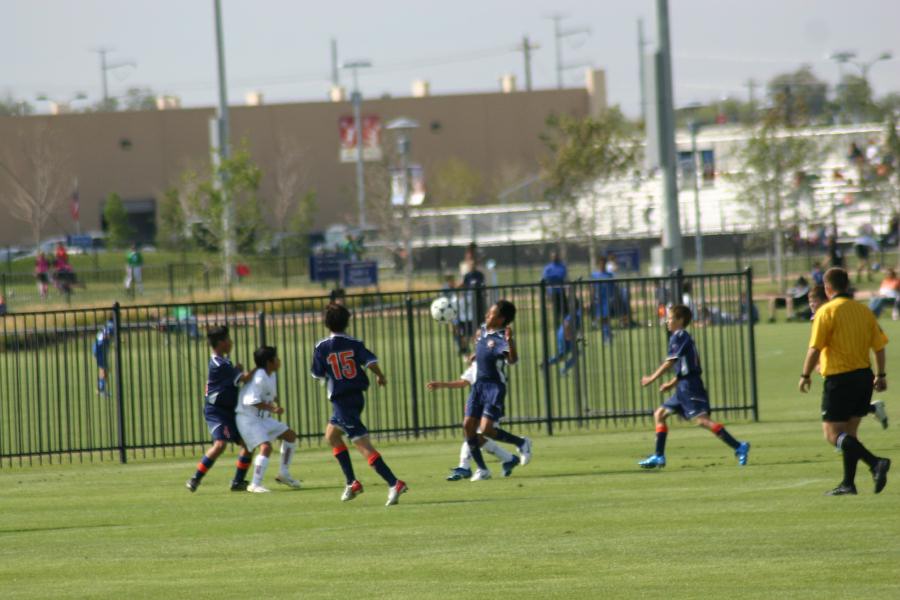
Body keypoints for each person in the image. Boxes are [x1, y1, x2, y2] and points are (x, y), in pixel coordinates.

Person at [799, 268, 891, 496]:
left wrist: (805, 375)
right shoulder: (864, 311)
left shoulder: (827, 311)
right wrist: (880, 375)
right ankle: (848, 484)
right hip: (864, 378)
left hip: (839, 379)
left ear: (828, 288)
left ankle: (875, 462)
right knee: (850, 433)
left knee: (832, 434)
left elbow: (815, 348)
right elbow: (879, 346)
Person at [311, 303, 408, 506]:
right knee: (332, 435)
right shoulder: (355, 343)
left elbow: (317, 374)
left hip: (342, 400)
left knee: (363, 445)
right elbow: (370, 362)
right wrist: (380, 376)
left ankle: (394, 482)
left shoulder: (321, 347)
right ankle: (352, 482)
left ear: (326, 323)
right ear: (347, 322)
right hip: (355, 397)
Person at [638, 304, 750, 469]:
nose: (667, 322)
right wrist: (671, 383)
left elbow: (671, 362)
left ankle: (739, 446)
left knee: (703, 421)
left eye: (670, 318)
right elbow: (686, 367)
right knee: (660, 413)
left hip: (690, 387)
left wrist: (651, 378)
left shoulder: (679, 336)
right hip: (683, 385)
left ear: (680, 320)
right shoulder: (680, 337)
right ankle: (659, 456)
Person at [463, 300, 532, 481]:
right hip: (478, 386)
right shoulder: (482, 331)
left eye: (491, 314)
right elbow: (483, 348)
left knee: (486, 429)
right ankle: (482, 469)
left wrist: (511, 342)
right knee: (468, 426)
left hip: (494, 387)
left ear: (501, 319)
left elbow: (512, 360)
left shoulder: (503, 337)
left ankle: (521, 443)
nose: (487, 315)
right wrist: (475, 355)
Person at [810, 284, 889, 430]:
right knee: (845, 412)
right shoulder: (820, 316)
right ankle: (871, 410)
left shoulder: (839, 313)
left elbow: (879, 342)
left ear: (826, 299)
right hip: (838, 370)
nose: (811, 306)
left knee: (838, 421)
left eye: (814, 302)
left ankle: (845, 442)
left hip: (850, 370)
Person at [186, 326, 254, 493]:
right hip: (216, 411)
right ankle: (195, 478)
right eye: (228, 339)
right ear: (221, 343)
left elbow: (234, 379)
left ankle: (238, 481)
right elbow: (243, 379)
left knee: (248, 444)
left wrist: (236, 370)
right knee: (220, 444)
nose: (231, 342)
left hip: (229, 411)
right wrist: (259, 366)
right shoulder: (219, 364)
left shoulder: (225, 362)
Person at [426, 360, 520, 481]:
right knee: (476, 436)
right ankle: (509, 459)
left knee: (476, 434)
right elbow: (463, 382)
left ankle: (466, 466)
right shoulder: (475, 365)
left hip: (491, 404)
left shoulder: (492, 362)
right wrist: (440, 384)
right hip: (479, 405)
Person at [236, 346, 301, 493]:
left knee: (290, 435)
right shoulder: (259, 377)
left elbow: (268, 393)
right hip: (248, 419)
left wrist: (274, 399)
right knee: (266, 448)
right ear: (269, 362)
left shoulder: (270, 374)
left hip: (262, 418)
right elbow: (250, 400)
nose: (279, 361)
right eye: (276, 358)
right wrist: (273, 409)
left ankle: (284, 473)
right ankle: (255, 484)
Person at [590, 255, 613, 342]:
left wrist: (612, 297)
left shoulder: (609, 275)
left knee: (606, 317)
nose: (602, 265)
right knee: (602, 318)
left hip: (607, 298)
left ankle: (607, 335)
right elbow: (592, 286)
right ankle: (606, 335)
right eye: (601, 263)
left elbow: (613, 286)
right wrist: (592, 297)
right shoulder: (594, 275)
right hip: (598, 299)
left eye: (604, 263)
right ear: (598, 264)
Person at [542, 251, 568, 327]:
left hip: (561, 291)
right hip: (552, 292)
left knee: (564, 309)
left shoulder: (562, 266)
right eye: (553, 256)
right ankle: (557, 326)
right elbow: (546, 278)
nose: (555, 257)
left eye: (556, 256)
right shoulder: (548, 268)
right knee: (556, 311)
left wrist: (553, 277)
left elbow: (562, 276)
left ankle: (565, 325)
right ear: (551, 257)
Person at [92, 320, 114, 397]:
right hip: (99, 351)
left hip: (100, 351)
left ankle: (101, 389)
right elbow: (104, 336)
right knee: (103, 370)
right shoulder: (110, 327)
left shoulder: (107, 327)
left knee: (105, 370)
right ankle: (100, 390)